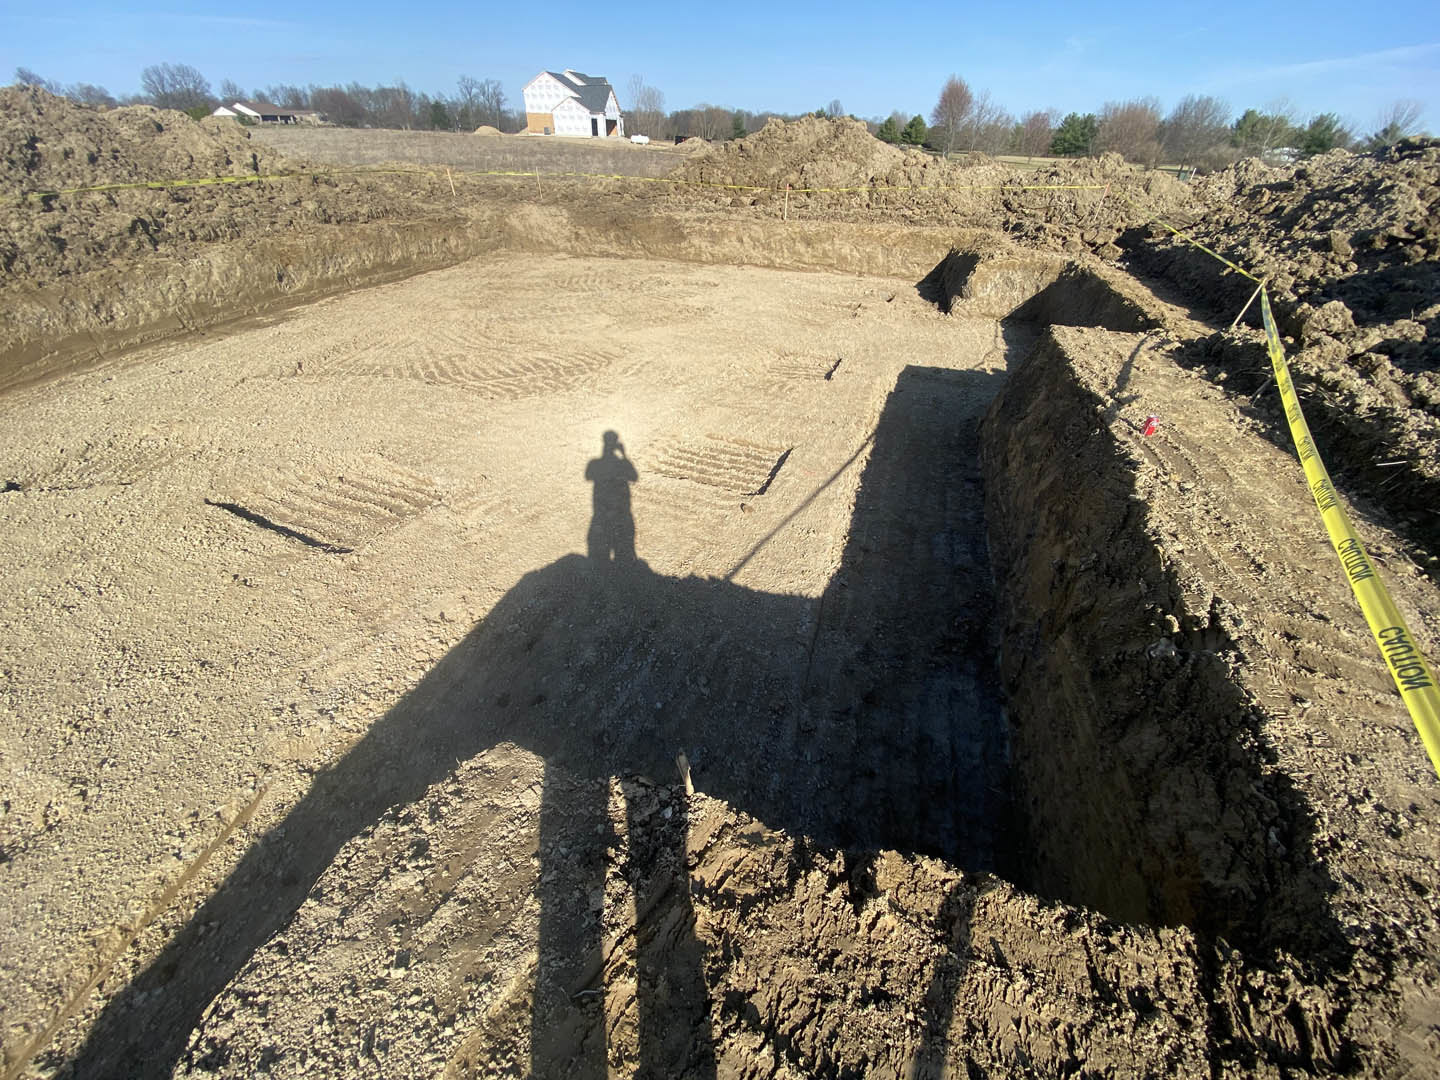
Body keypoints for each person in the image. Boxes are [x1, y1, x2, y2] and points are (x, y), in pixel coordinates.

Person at [584, 430, 637, 563]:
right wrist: (624, 456)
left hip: (601, 513)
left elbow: (588, 475)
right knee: (623, 555)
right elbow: (634, 476)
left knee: (599, 557)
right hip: (621, 514)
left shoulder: (595, 463)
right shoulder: (620, 464)